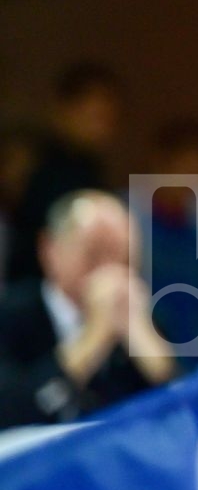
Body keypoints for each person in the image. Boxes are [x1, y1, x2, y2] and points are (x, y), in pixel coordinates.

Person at [0, 191, 175, 427]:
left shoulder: (139, 316)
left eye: (123, 258)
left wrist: (147, 346)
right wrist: (93, 338)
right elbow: (12, 412)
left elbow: (186, 412)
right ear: (49, 250)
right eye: (95, 254)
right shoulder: (10, 316)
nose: (108, 270)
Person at [7, 61, 121, 283]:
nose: (102, 128)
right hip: (38, 287)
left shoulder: (90, 171)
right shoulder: (36, 169)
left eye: (108, 119)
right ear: (62, 110)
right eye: (93, 117)